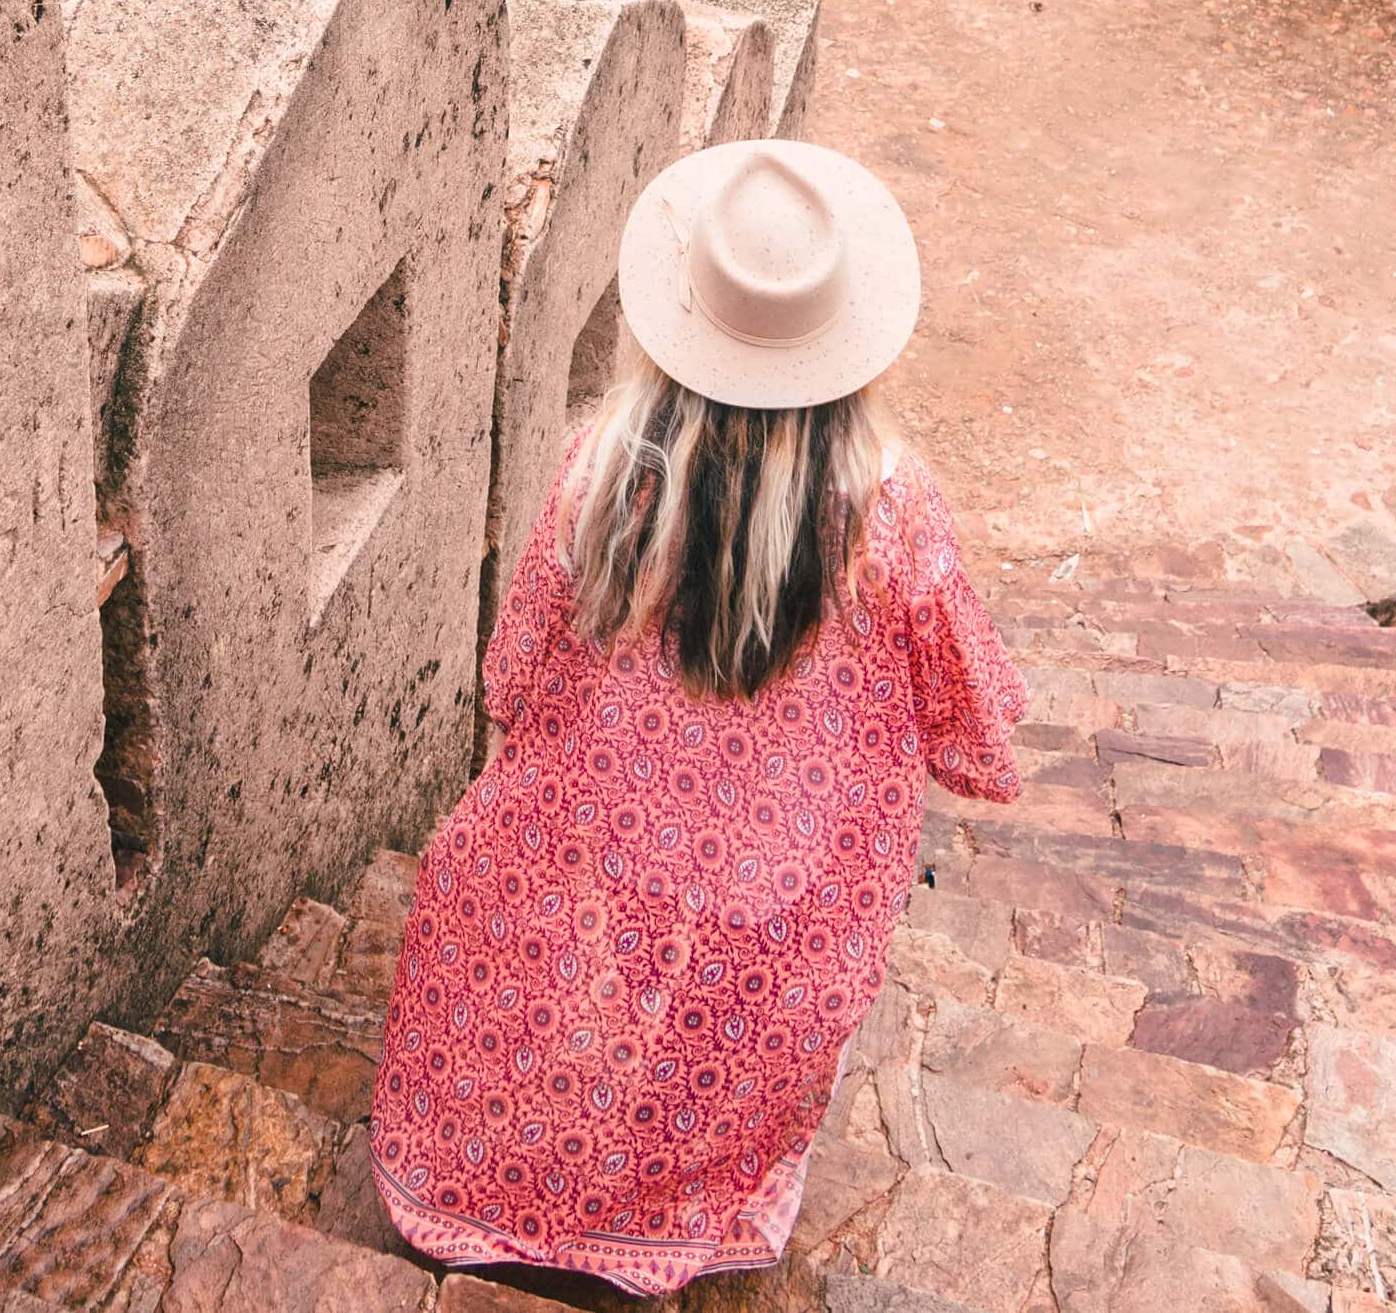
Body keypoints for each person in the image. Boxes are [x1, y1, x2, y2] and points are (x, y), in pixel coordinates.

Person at [371, 141, 1025, 1297]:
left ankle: (493, 1194)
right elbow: (969, 718)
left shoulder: (600, 470)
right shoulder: (891, 506)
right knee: (731, 998)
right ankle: (659, 1213)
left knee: (544, 934)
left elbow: (514, 673)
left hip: (594, 845)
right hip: (789, 894)